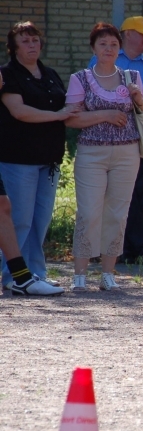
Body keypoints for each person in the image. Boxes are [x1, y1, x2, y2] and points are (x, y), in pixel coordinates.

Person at [66, 22, 143, 291]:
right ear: (93, 48)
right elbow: (71, 118)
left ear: (120, 48)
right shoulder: (80, 78)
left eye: (114, 44)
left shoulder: (131, 76)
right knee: (89, 212)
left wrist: (138, 98)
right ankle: (80, 274)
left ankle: (108, 273)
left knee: (118, 213)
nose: (108, 49)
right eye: (103, 44)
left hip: (127, 154)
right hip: (91, 154)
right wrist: (105, 115)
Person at [0, 21, 78, 290]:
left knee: (39, 221)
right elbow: (19, 111)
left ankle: (36, 273)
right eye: (25, 41)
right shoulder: (7, 75)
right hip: (17, 159)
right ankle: (13, 276)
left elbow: (69, 108)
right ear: (13, 47)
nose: (32, 45)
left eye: (35, 40)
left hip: (50, 159)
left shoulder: (51, 74)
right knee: (19, 219)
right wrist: (57, 116)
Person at [88, 16, 143, 266]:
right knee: (109, 194)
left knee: (137, 194)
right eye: (142, 33)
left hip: (136, 140)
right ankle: (112, 247)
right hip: (105, 138)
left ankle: (139, 248)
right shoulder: (103, 60)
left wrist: (142, 113)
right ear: (127, 35)